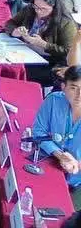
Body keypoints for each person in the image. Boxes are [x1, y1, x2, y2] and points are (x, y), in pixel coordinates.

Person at [30, 65, 81, 202]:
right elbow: (39, 132)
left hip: (76, 182)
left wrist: (76, 164)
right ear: (63, 87)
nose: (79, 95)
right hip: (48, 162)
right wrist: (58, 154)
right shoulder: (53, 100)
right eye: (73, 88)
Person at [5, 0, 77, 79]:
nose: (38, 11)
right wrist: (14, 31)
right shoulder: (30, 9)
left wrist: (44, 44)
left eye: (44, 9)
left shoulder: (66, 23)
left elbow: (68, 52)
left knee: (14, 73)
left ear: (54, 8)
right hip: (23, 51)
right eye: (36, 7)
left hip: (48, 61)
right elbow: (10, 23)